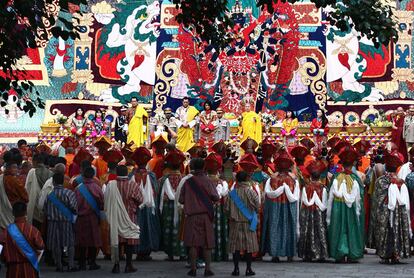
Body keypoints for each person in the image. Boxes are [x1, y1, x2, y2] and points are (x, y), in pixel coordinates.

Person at [179, 158, 219, 277]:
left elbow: (181, 200)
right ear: (203, 167)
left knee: (192, 244)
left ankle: (193, 269)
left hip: (191, 216)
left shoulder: (188, 182)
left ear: (192, 167)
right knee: (207, 244)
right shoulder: (208, 181)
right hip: (206, 216)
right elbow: (215, 197)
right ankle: (207, 269)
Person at [327, 145, 364, 263]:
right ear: (353, 164)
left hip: (338, 207)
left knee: (339, 229)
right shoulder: (356, 178)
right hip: (351, 208)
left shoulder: (336, 177)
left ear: (342, 163)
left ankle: (340, 253)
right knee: (351, 228)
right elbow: (359, 198)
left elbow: (330, 195)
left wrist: (328, 214)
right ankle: (352, 253)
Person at [262, 151, 299, 262]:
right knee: (289, 227)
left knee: (274, 226)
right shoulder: (293, 180)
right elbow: (296, 197)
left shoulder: (271, 179)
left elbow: (267, 194)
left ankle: (275, 254)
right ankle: (290, 254)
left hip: (274, 208)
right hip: (289, 208)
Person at [374, 152, 411, 264]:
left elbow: (378, 198)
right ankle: (397, 254)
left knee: (385, 232)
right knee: (397, 230)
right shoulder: (400, 181)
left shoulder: (380, 180)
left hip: (385, 211)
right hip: (398, 211)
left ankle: (386, 255)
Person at [105, 165, 142, 273]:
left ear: (116, 172)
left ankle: (116, 265)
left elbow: (105, 200)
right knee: (128, 241)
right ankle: (128, 265)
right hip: (129, 217)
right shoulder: (132, 185)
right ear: (127, 173)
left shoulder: (110, 185)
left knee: (117, 241)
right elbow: (140, 199)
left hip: (115, 216)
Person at [227, 171, 260, 276]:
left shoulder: (232, 193)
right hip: (248, 223)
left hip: (235, 223)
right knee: (249, 247)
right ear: (246, 179)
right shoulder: (251, 192)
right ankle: (248, 269)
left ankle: (236, 269)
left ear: (237, 180)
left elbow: (226, 209)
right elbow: (258, 205)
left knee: (235, 248)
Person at [44, 172, 78, 272]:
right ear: (63, 182)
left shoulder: (49, 195)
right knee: (70, 243)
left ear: (53, 182)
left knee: (56, 244)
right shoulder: (69, 193)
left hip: (53, 222)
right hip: (66, 222)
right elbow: (74, 208)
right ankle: (71, 265)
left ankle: (59, 265)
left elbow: (45, 209)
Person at [131, 147, 161, 261]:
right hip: (149, 207)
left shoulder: (131, 175)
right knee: (148, 226)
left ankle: (138, 250)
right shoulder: (152, 176)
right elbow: (156, 190)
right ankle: (147, 250)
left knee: (138, 226)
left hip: (136, 207)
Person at [1, 202, 44, 278]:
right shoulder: (33, 230)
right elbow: (41, 247)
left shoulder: (6, 231)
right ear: (26, 212)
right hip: (30, 269)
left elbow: (0, 249)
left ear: (13, 213)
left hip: (13, 270)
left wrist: (5, 260)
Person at [298, 159, 329, 262]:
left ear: (310, 176)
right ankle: (321, 254)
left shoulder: (306, 187)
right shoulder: (323, 188)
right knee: (320, 231)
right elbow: (324, 205)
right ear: (319, 176)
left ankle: (307, 254)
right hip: (319, 213)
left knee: (307, 232)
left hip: (307, 213)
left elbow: (303, 202)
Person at [159, 149, 187, 260]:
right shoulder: (184, 178)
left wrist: (160, 209)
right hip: (181, 206)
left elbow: (162, 195)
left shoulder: (164, 179)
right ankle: (182, 253)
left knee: (169, 228)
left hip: (168, 207)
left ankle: (170, 254)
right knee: (181, 228)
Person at [74, 166, 104, 270]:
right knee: (93, 240)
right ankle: (92, 262)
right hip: (93, 217)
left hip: (81, 218)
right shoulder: (97, 188)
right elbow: (102, 202)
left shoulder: (78, 188)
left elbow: (74, 204)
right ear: (93, 175)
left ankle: (82, 263)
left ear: (83, 175)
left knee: (82, 241)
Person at [205, 152, 229, 262]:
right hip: (219, 210)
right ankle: (219, 253)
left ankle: (205, 256)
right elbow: (224, 195)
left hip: (205, 210)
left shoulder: (202, 181)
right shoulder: (222, 182)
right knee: (217, 231)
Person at [25, 153, 53, 227]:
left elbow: (27, 188)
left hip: (34, 203)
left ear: (35, 162)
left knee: (35, 225)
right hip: (45, 204)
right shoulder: (50, 173)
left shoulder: (32, 172)